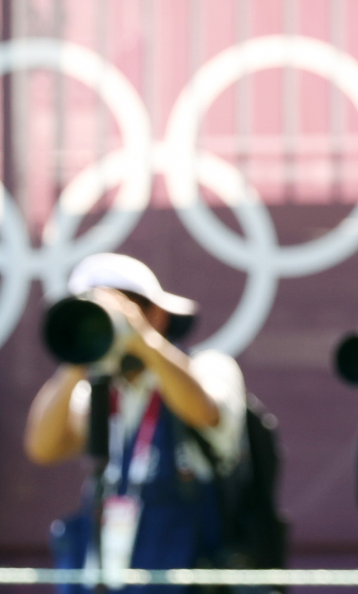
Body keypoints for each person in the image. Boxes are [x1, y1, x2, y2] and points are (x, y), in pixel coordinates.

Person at [24, 252, 247, 592]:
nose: (104, 325)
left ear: (155, 314)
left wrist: (141, 339)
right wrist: (79, 354)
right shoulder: (96, 389)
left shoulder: (207, 367)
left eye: (110, 314)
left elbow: (203, 410)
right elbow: (43, 447)